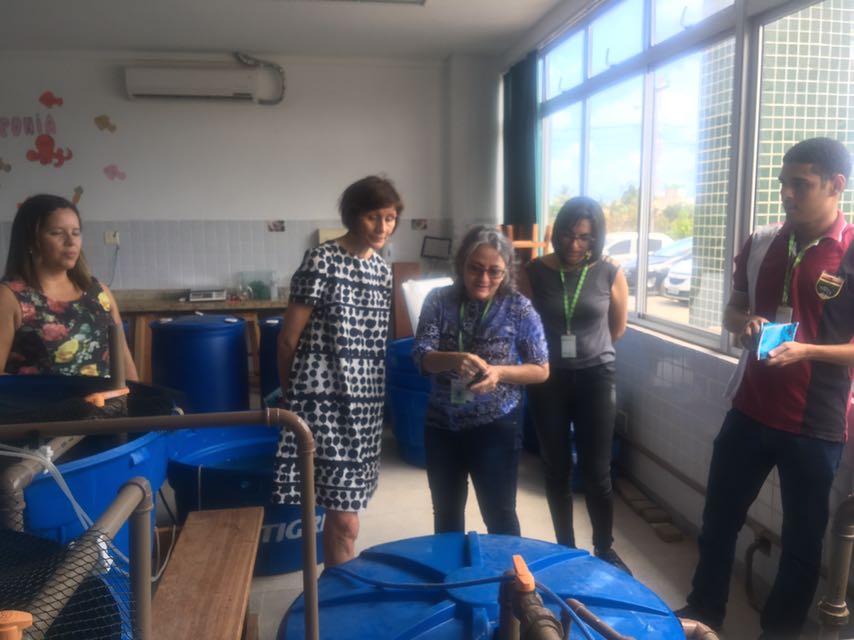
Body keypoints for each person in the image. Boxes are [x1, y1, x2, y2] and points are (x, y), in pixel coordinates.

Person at [675, 137, 854, 638]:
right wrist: (745, 322)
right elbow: (732, 311)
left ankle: (779, 632)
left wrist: (808, 352)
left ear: (836, 186)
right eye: (783, 184)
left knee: (802, 544)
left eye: (801, 185)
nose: (787, 195)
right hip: (750, 410)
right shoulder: (762, 241)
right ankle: (703, 611)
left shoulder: (850, 251)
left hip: (815, 425)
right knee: (719, 519)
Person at [273, 175, 402, 567]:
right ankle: (339, 594)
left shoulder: (382, 271)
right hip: (323, 402)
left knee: (344, 509)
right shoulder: (322, 260)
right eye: (373, 217)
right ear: (352, 215)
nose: (382, 227)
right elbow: (288, 339)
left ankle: (331, 588)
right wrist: (293, 398)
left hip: (365, 408)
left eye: (390, 218)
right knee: (346, 520)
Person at [411, 225, 549, 535]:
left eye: (494, 271)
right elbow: (421, 355)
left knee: (499, 515)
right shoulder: (438, 300)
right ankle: (450, 567)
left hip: (496, 425)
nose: (483, 278)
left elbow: (541, 369)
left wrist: (499, 373)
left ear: (506, 271)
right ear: (462, 263)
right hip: (442, 425)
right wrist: (453, 358)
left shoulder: (518, 307)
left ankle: (509, 568)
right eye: (475, 268)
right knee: (446, 514)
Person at [519, 196, 630, 573]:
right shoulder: (534, 271)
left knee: (597, 471)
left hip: (596, 377)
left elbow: (617, 328)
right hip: (547, 379)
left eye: (585, 237)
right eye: (568, 234)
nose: (575, 244)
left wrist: (588, 353)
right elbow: (526, 327)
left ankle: (604, 547)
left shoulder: (610, 271)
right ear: (557, 233)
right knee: (556, 467)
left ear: (596, 237)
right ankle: (565, 547)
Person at [0, 194, 137, 380]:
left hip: (106, 399)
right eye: (57, 233)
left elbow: (125, 364)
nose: (71, 241)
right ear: (31, 240)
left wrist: (136, 396)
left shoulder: (99, 292)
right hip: (40, 400)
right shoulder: (10, 297)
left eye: (76, 232)